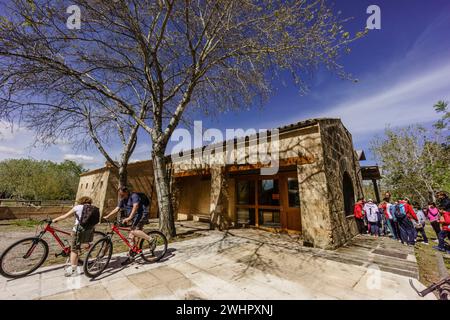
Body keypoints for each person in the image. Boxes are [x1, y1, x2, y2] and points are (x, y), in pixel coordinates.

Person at [103, 186, 150, 265]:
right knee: (131, 237)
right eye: (119, 194)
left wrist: (129, 217)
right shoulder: (123, 200)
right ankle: (132, 255)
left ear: (126, 192)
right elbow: (117, 209)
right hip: (134, 217)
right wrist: (108, 216)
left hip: (141, 215)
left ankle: (150, 239)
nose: (120, 196)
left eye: (122, 194)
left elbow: (136, 206)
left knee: (134, 231)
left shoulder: (134, 196)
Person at [52, 196, 97, 277]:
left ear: (81, 201)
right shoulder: (94, 208)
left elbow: (65, 216)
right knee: (85, 243)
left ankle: (73, 270)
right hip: (90, 230)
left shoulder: (78, 207)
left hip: (78, 230)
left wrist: (54, 220)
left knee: (74, 250)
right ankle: (88, 256)